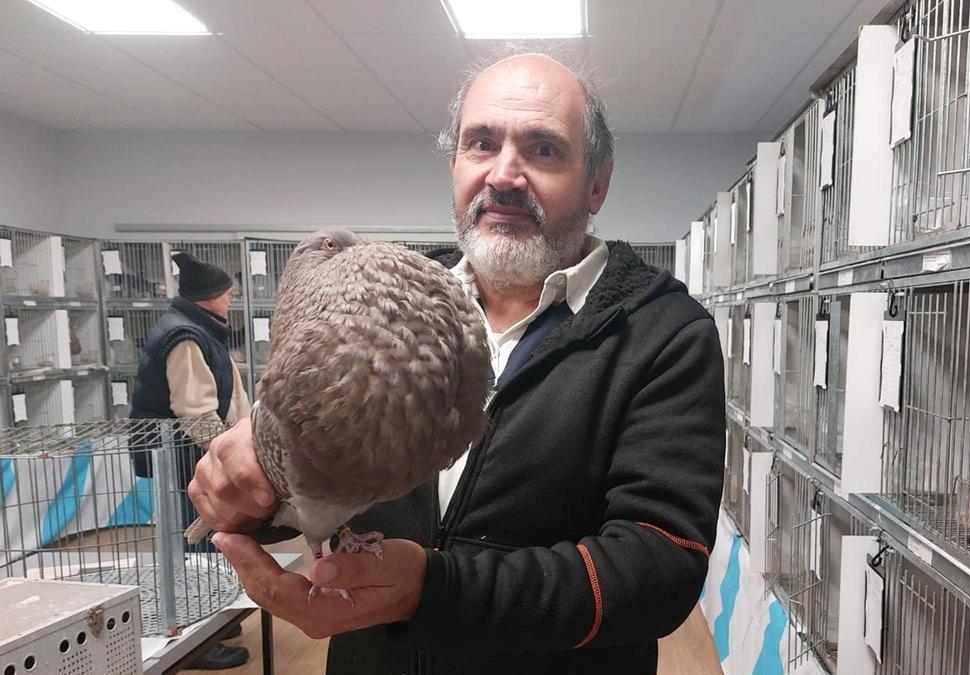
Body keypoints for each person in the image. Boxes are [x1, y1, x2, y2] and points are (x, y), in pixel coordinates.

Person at [189, 51, 727, 675]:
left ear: (598, 183)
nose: (505, 174)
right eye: (481, 144)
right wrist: (256, 490)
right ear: (454, 166)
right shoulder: (373, 301)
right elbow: (321, 497)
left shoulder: (666, 332)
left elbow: (661, 565)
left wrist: (434, 592)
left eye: (544, 149)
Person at [130, 251, 251, 670]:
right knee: (192, 546)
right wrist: (230, 457)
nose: (232, 300)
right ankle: (194, 637)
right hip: (180, 459)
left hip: (189, 458)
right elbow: (195, 412)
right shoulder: (184, 336)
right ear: (208, 296)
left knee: (204, 541)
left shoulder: (201, 329)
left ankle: (213, 616)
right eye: (228, 294)